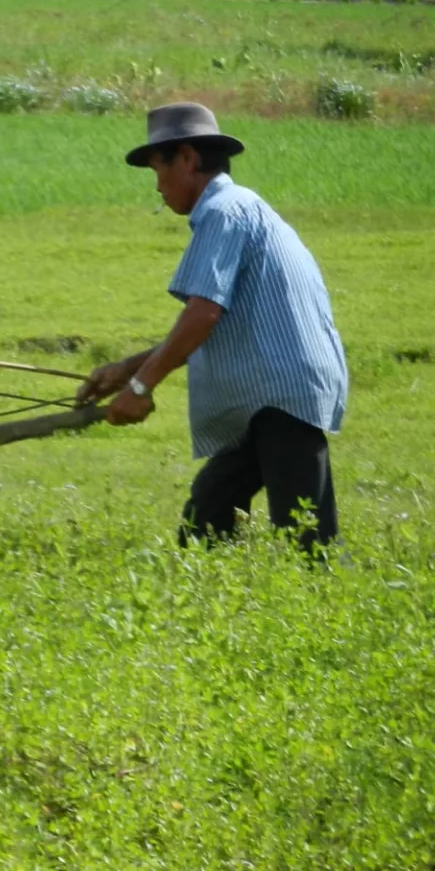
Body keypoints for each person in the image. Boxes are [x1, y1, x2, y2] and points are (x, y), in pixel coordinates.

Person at [78, 102, 348, 553]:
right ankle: (208, 603)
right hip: (262, 396)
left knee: (307, 537)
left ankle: (329, 608)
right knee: (210, 512)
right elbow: (209, 320)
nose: (157, 187)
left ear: (186, 158)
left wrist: (141, 388)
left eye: (157, 169)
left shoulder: (225, 212)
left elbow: (203, 315)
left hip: (281, 393)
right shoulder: (236, 209)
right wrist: (127, 369)